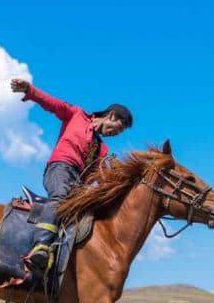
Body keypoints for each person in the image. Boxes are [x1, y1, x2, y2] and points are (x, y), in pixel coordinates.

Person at [10, 78, 133, 281]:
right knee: (60, 196)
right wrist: (30, 90)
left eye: (118, 133)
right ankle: (40, 248)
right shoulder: (77, 115)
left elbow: (100, 178)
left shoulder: (103, 150)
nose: (114, 134)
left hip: (78, 184)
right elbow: (53, 104)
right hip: (60, 168)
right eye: (116, 129)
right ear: (110, 116)